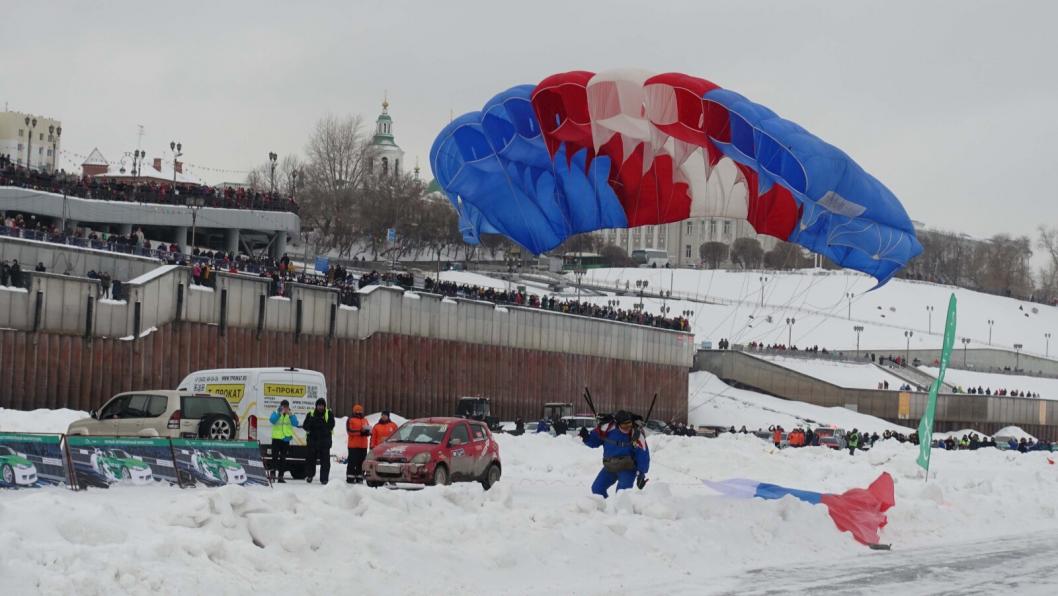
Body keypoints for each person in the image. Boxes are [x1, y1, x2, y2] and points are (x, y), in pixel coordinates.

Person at [582, 410, 650, 498]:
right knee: (597, 489)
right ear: (617, 424)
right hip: (610, 467)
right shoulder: (607, 429)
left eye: (629, 425)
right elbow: (595, 441)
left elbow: (643, 455)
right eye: (624, 426)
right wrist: (586, 437)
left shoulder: (636, 434)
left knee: (621, 495)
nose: (627, 428)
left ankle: (622, 510)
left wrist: (641, 474)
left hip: (627, 468)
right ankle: (605, 508)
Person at [303, 398, 335, 484]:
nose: (320, 407)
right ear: (316, 406)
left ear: (324, 406)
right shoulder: (310, 414)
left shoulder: (329, 414)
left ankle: (324, 479)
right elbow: (305, 426)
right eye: (319, 405)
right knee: (310, 460)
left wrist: (320, 424)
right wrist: (312, 422)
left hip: (324, 442)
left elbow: (331, 425)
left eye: (322, 405)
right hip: (312, 441)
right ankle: (310, 476)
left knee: (325, 462)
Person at [268, 400, 299, 483]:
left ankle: (281, 476)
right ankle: (273, 474)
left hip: (286, 439)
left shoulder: (291, 414)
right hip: (276, 439)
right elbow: (272, 420)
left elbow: (295, 423)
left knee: (283, 458)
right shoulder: (276, 412)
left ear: (288, 407)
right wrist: (279, 413)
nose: (285, 408)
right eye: (283, 406)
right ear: (281, 406)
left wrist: (291, 415)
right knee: (274, 457)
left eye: (286, 407)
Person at [345, 404, 371, 484]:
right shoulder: (350, 420)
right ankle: (350, 476)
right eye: (357, 411)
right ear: (354, 411)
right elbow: (350, 432)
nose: (359, 412)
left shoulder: (365, 420)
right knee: (352, 462)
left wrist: (368, 432)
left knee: (361, 462)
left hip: (363, 445)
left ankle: (360, 476)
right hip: (353, 445)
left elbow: (368, 429)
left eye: (360, 411)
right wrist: (360, 432)